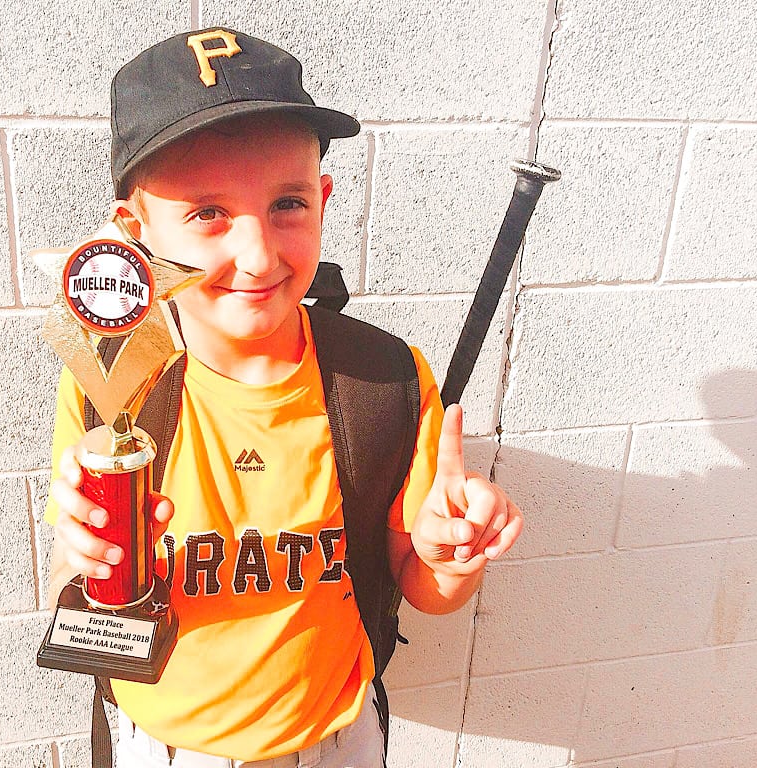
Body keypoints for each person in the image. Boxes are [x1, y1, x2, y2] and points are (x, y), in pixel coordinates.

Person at [43, 27, 524, 768]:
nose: (260, 253)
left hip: (338, 740)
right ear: (134, 235)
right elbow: (75, 582)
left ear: (324, 197)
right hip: (166, 747)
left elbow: (422, 587)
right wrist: (84, 552)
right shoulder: (113, 386)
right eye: (207, 213)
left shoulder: (385, 381)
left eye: (287, 204)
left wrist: (453, 558)